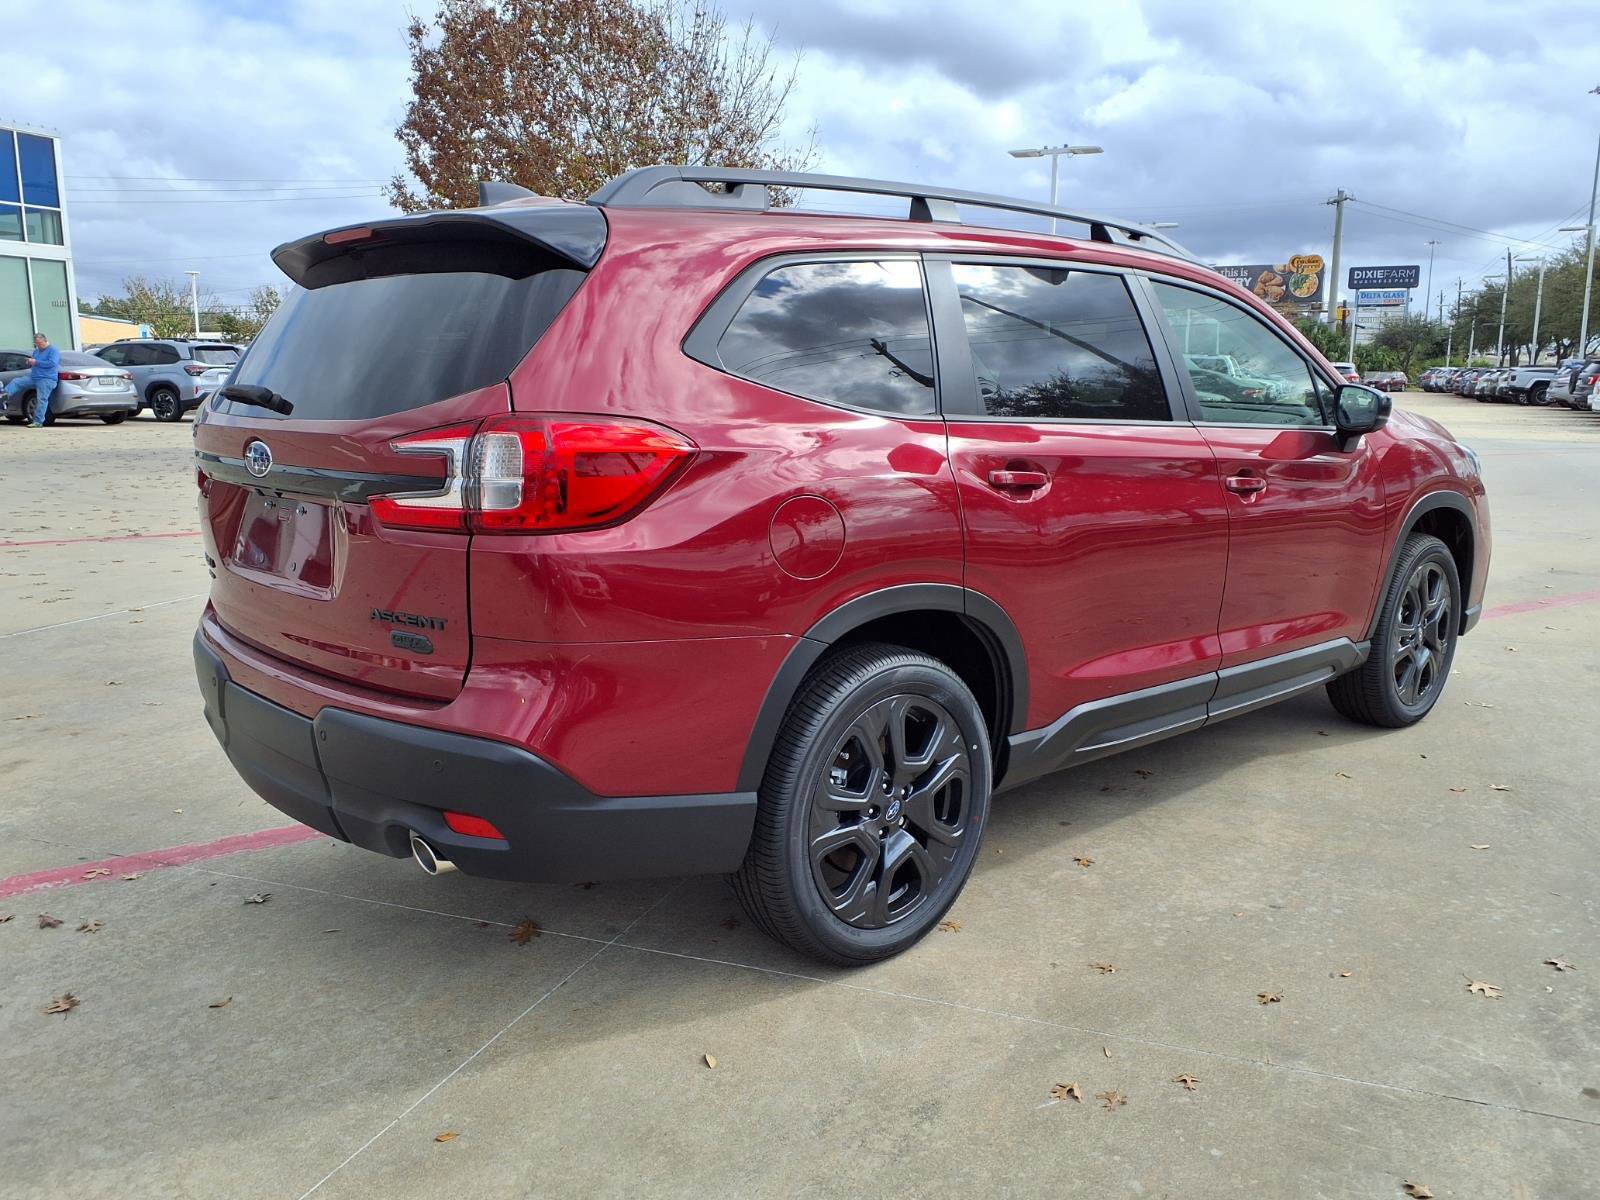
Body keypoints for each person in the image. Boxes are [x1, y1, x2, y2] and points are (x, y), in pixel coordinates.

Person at [5, 332, 60, 427]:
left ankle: (38, 422)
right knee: (17, 382)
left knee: (41, 399)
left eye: (40, 343)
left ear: (45, 340)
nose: (38, 345)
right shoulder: (36, 351)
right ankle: (4, 395)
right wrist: (30, 362)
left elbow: (52, 363)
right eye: (36, 343)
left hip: (46, 378)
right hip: (34, 377)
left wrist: (36, 362)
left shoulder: (53, 350)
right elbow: (34, 362)